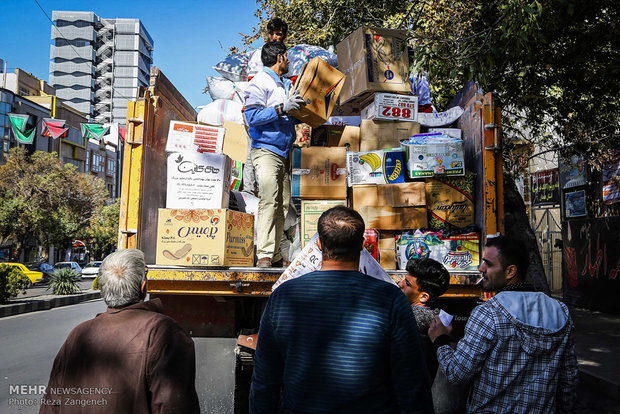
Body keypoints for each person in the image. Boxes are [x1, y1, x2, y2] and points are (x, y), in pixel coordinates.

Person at [250, 206, 434, 413]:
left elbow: (265, 380)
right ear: (362, 246)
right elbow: (412, 383)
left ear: (318, 244)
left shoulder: (283, 297)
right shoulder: (391, 299)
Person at [428, 235, 578, 413]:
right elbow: (569, 380)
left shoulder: (488, 313)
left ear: (510, 272)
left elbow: (457, 374)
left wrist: (440, 340)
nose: (481, 268)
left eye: (488, 264)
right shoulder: (560, 311)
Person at [40, 249, 200, 414]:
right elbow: (174, 404)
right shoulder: (162, 332)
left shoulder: (78, 334)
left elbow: (51, 404)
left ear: (102, 290)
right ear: (144, 287)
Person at [243, 41, 305, 268]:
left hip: (284, 151)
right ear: (280, 58)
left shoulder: (284, 84)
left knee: (283, 205)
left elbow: (287, 114)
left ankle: (276, 254)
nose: (289, 62)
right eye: (287, 57)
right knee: (269, 199)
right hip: (266, 150)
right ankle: (264, 255)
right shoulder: (260, 82)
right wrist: (282, 108)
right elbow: (252, 117)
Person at [399, 257, 449, 382]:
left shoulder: (410, 320)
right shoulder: (434, 317)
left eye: (407, 283)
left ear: (424, 297)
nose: (400, 284)